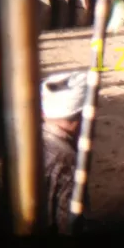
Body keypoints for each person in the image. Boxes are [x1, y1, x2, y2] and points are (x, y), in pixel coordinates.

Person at [40, 71, 88, 235]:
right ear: (81, 118)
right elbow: (68, 223)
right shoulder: (67, 158)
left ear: (43, 113)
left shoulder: (29, 140)